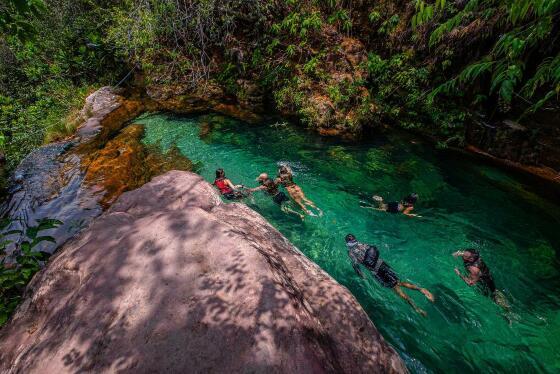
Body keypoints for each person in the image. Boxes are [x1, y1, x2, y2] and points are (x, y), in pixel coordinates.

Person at [345, 234, 434, 316]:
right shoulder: (363, 244)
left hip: (377, 272)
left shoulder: (351, 252)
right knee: (398, 282)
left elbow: (355, 265)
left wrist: (362, 276)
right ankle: (421, 289)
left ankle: (416, 308)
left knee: (396, 289)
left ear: (347, 243)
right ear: (355, 240)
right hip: (383, 265)